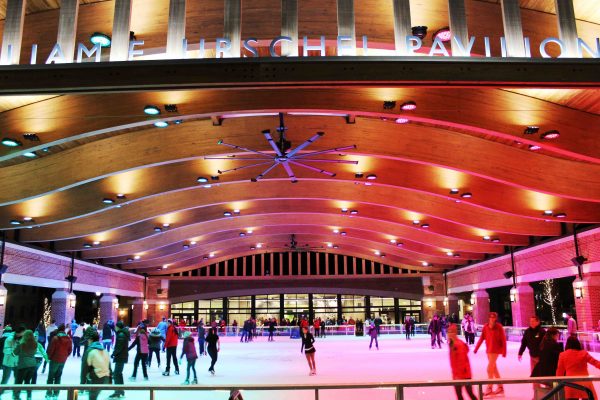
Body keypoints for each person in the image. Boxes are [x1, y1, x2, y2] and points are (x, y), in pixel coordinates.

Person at [474, 312, 507, 397]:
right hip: (488, 350)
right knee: (494, 369)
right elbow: (482, 338)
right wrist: (476, 348)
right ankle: (500, 387)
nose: (492, 319)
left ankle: (489, 387)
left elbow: (503, 339)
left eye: (494, 317)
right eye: (491, 317)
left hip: (495, 350)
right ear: (488, 318)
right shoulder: (485, 327)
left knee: (489, 369)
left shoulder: (499, 327)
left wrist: (504, 351)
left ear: (496, 318)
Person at [447, 324, 477, 400]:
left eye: (452, 332)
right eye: (449, 332)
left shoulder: (458, 345)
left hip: (464, 374)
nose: (450, 334)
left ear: (455, 333)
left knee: (467, 393)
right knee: (462, 394)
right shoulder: (452, 344)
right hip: (458, 374)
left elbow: (462, 361)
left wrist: (458, 375)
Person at [14, 330, 43, 400]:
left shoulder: (21, 344)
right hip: (32, 365)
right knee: (27, 381)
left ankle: (17, 396)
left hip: (23, 365)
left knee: (19, 382)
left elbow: (15, 352)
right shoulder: (35, 344)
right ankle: (29, 396)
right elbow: (34, 352)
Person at [82, 331, 111, 400]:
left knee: (92, 397)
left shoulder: (90, 351)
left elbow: (84, 368)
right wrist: (110, 380)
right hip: (105, 377)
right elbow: (109, 366)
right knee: (94, 396)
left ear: (91, 340)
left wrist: (82, 384)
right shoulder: (104, 350)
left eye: (88, 340)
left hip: (97, 378)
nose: (88, 342)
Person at [46, 323, 72, 399]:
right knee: (58, 377)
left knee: (51, 377)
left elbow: (51, 349)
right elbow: (70, 350)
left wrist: (49, 357)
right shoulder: (69, 339)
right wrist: (65, 356)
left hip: (54, 359)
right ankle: (56, 394)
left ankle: (49, 393)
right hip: (62, 360)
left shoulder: (55, 338)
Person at [109, 321, 129, 399]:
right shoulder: (122, 333)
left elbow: (119, 347)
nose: (115, 328)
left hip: (120, 357)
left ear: (118, 327)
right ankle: (121, 390)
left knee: (117, 374)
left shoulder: (121, 334)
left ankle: (118, 391)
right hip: (122, 356)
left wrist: (113, 353)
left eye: (116, 327)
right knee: (119, 374)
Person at [0, 326, 22, 396]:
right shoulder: (9, 339)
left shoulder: (20, 339)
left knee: (16, 378)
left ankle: (16, 394)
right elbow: (5, 350)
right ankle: (1, 391)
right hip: (8, 361)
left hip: (14, 361)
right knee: (6, 378)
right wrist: (14, 350)